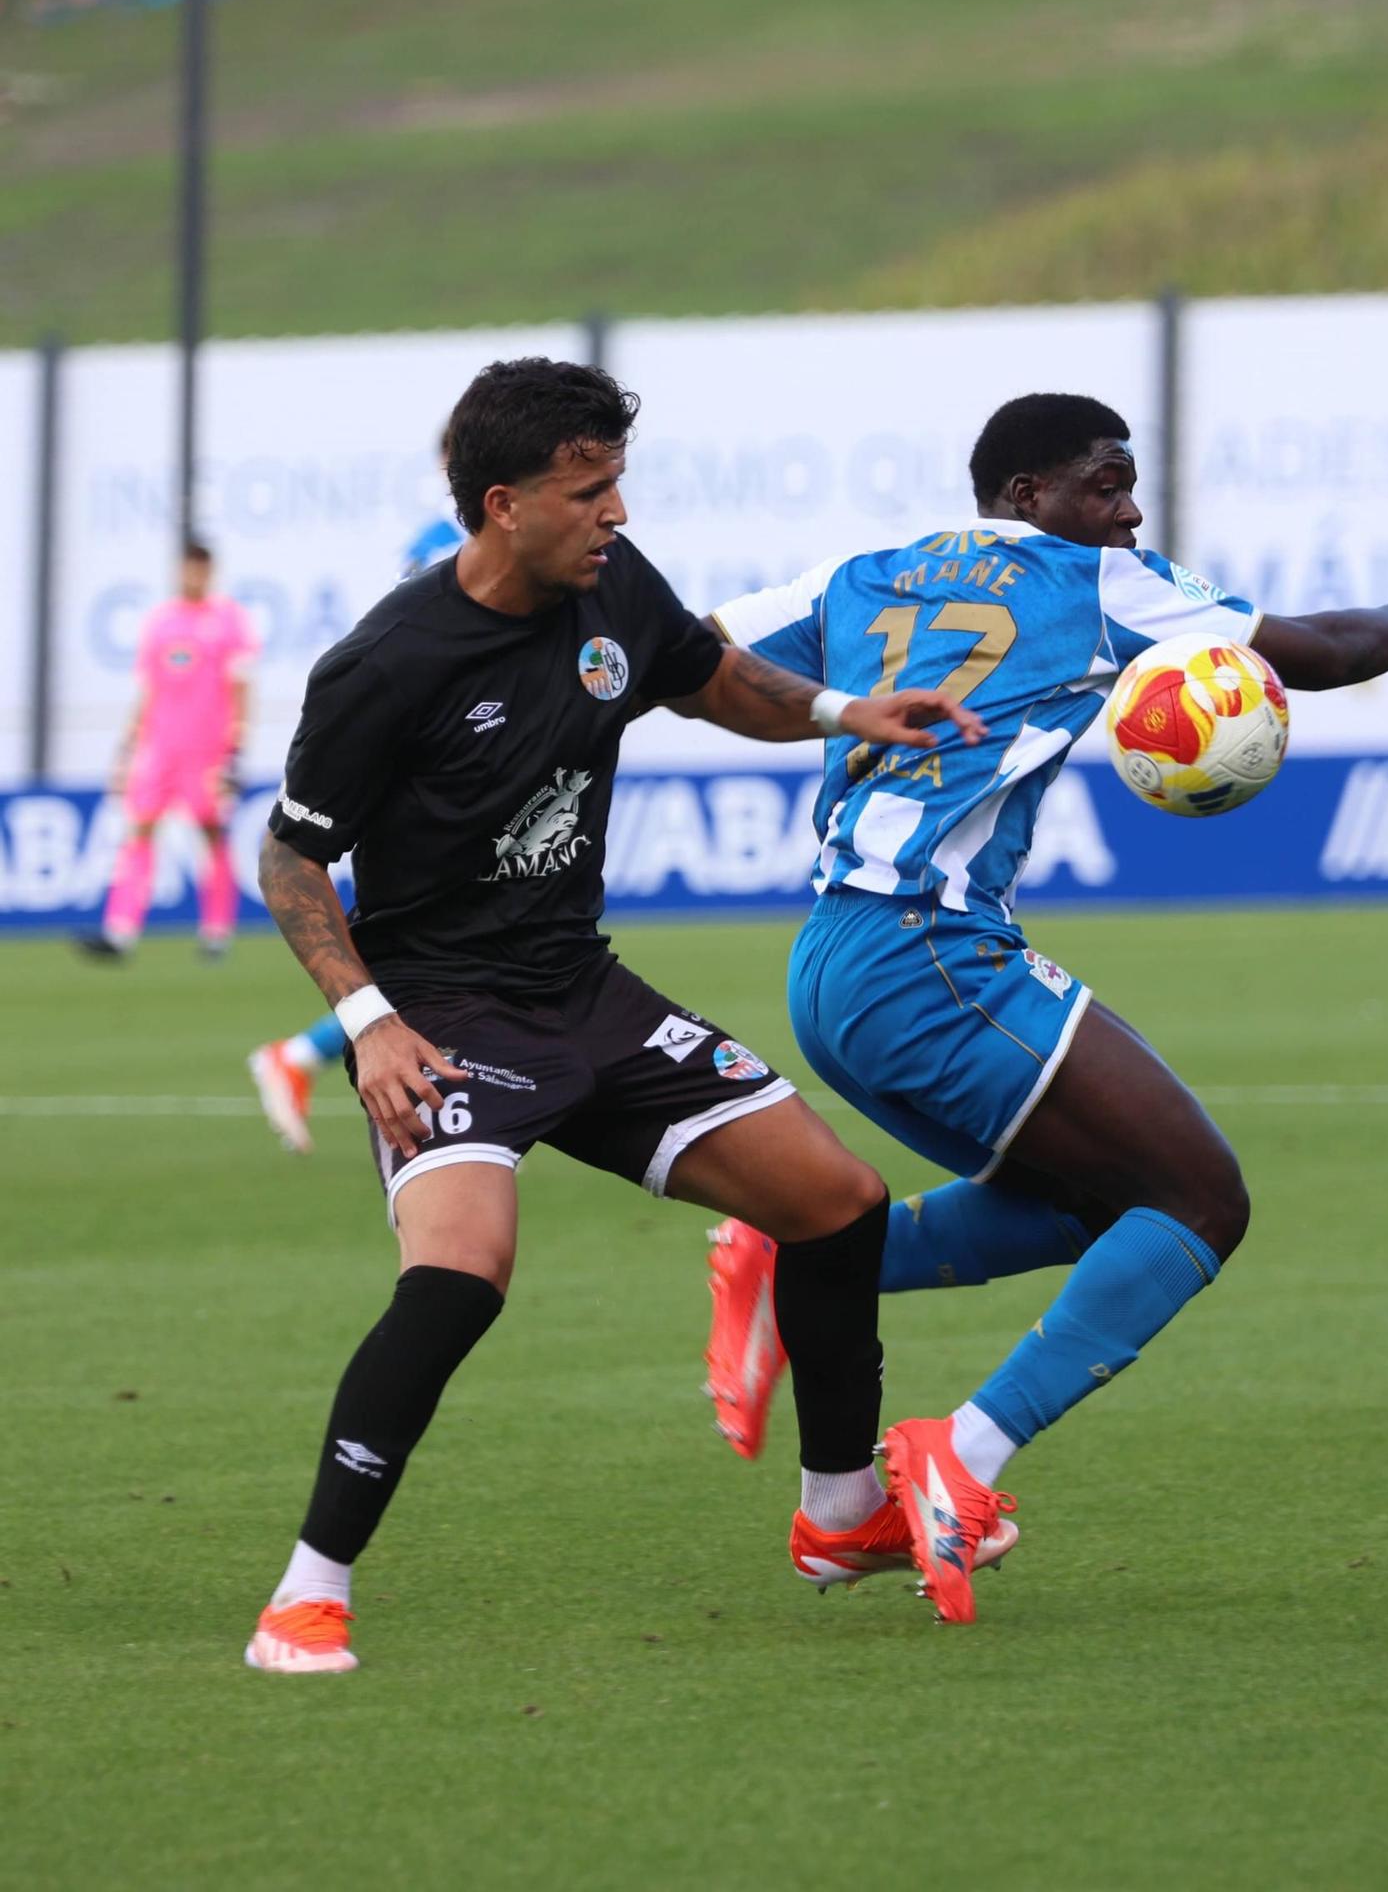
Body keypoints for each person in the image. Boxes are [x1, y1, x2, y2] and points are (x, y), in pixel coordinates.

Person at [243, 358, 998, 1674]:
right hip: (446, 1014)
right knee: (461, 1275)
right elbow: (293, 860)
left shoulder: (610, 590)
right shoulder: (387, 663)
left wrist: (840, 711)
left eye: (617, 484)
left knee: (836, 1201)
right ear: (501, 504)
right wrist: (367, 1022)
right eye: (588, 491)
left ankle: (837, 1516)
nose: (617, 514)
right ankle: (307, 1594)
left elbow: (706, 674)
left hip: (582, 992)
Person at [700, 391, 1388, 1624]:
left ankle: (793, 1245)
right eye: (1104, 484)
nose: (1128, 509)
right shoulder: (1093, 580)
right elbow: (1321, 651)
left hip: (832, 960)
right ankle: (965, 1450)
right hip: (930, 956)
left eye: (1128, 486)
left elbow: (699, 661)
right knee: (1201, 1199)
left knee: (1105, 1202)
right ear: (1027, 497)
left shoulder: (862, 571)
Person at [248, 427, 463, 1152]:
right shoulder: (452, 543)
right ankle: (300, 1054)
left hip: (428, 752)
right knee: (444, 935)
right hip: (437, 762)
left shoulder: (430, 536)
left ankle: (305, 1056)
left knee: (452, 936)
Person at [76, 537, 256, 961]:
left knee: (211, 835)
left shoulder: (228, 621)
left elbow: (241, 687)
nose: (192, 576)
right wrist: (128, 745)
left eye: (199, 568)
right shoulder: (160, 622)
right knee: (139, 830)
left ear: (209, 572)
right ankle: (119, 931)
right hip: (160, 748)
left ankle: (217, 930)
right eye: (187, 568)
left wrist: (237, 745)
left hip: (206, 751)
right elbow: (148, 690)